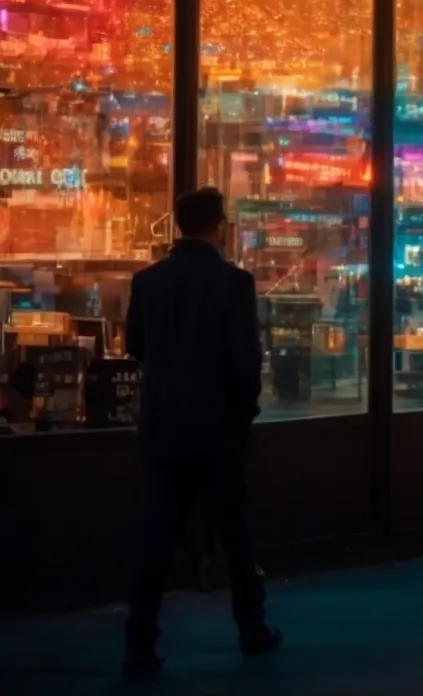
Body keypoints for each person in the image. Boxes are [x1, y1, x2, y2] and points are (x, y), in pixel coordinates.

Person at [123, 188, 281, 677]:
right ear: (219, 225)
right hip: (217, 432)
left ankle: (139, 646)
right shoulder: (233, 283)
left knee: (156, 541)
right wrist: (242, 415)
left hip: (164, 427)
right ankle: (252, 630)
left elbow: (135, 346)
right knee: (236, 537)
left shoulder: (147, 281)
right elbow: (245, 361)